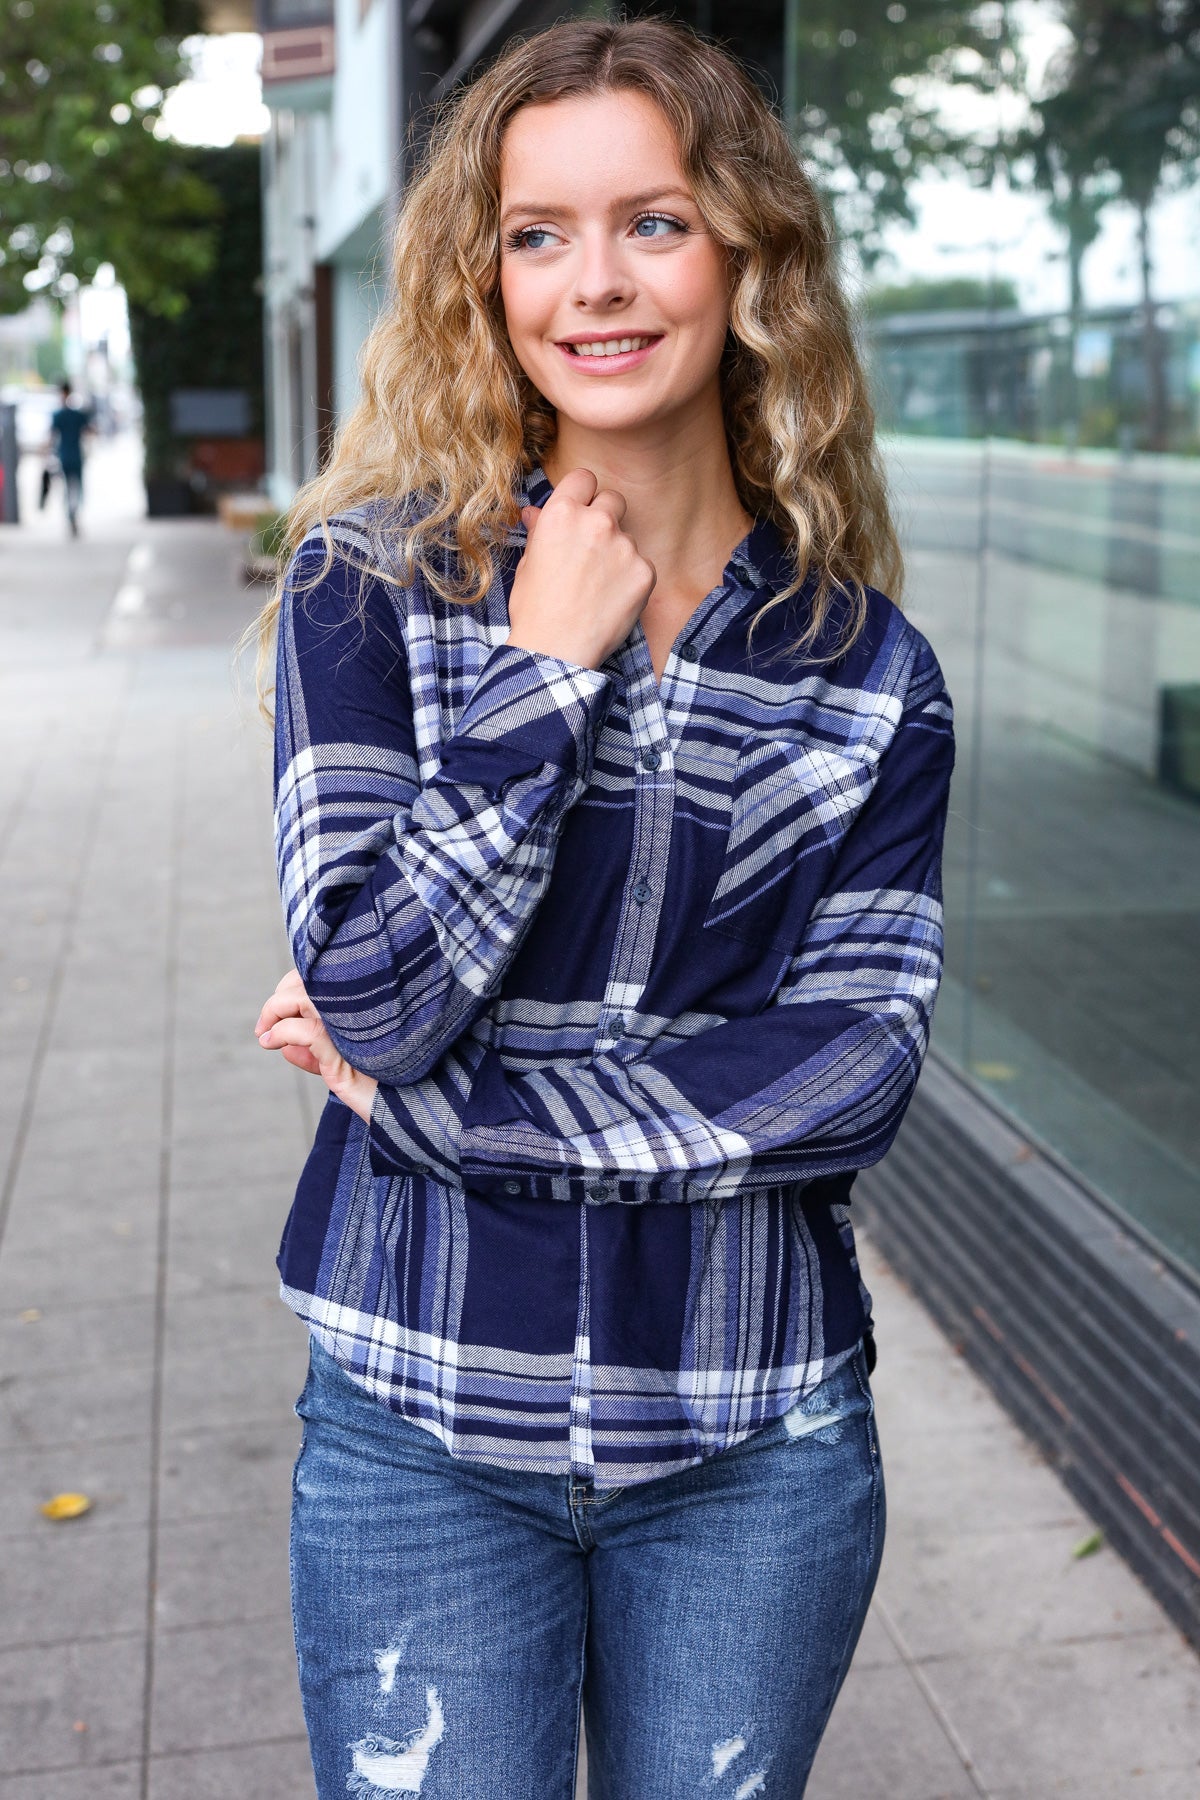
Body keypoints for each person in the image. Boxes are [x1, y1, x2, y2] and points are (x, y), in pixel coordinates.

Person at [252, 17, 955, 1798]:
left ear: (746, 253)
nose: (596, 283)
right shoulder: (371, 592)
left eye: (652, 221)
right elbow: (385, 994)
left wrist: (455, 1111)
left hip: (752, 1440)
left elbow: (850, 1074)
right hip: (418, 1426)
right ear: (481, 277)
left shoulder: (864, 671)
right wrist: (544, 675)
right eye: (537, 233)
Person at [49, 381, 90, 536]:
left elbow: (52, 437)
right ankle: (74, 514)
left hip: (65, 456)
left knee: (68, 488)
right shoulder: (78, 414)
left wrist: (47, 454)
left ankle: (70, 515)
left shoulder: (58, 415)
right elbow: (89, 431)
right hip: (76, 456)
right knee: (77, 488)